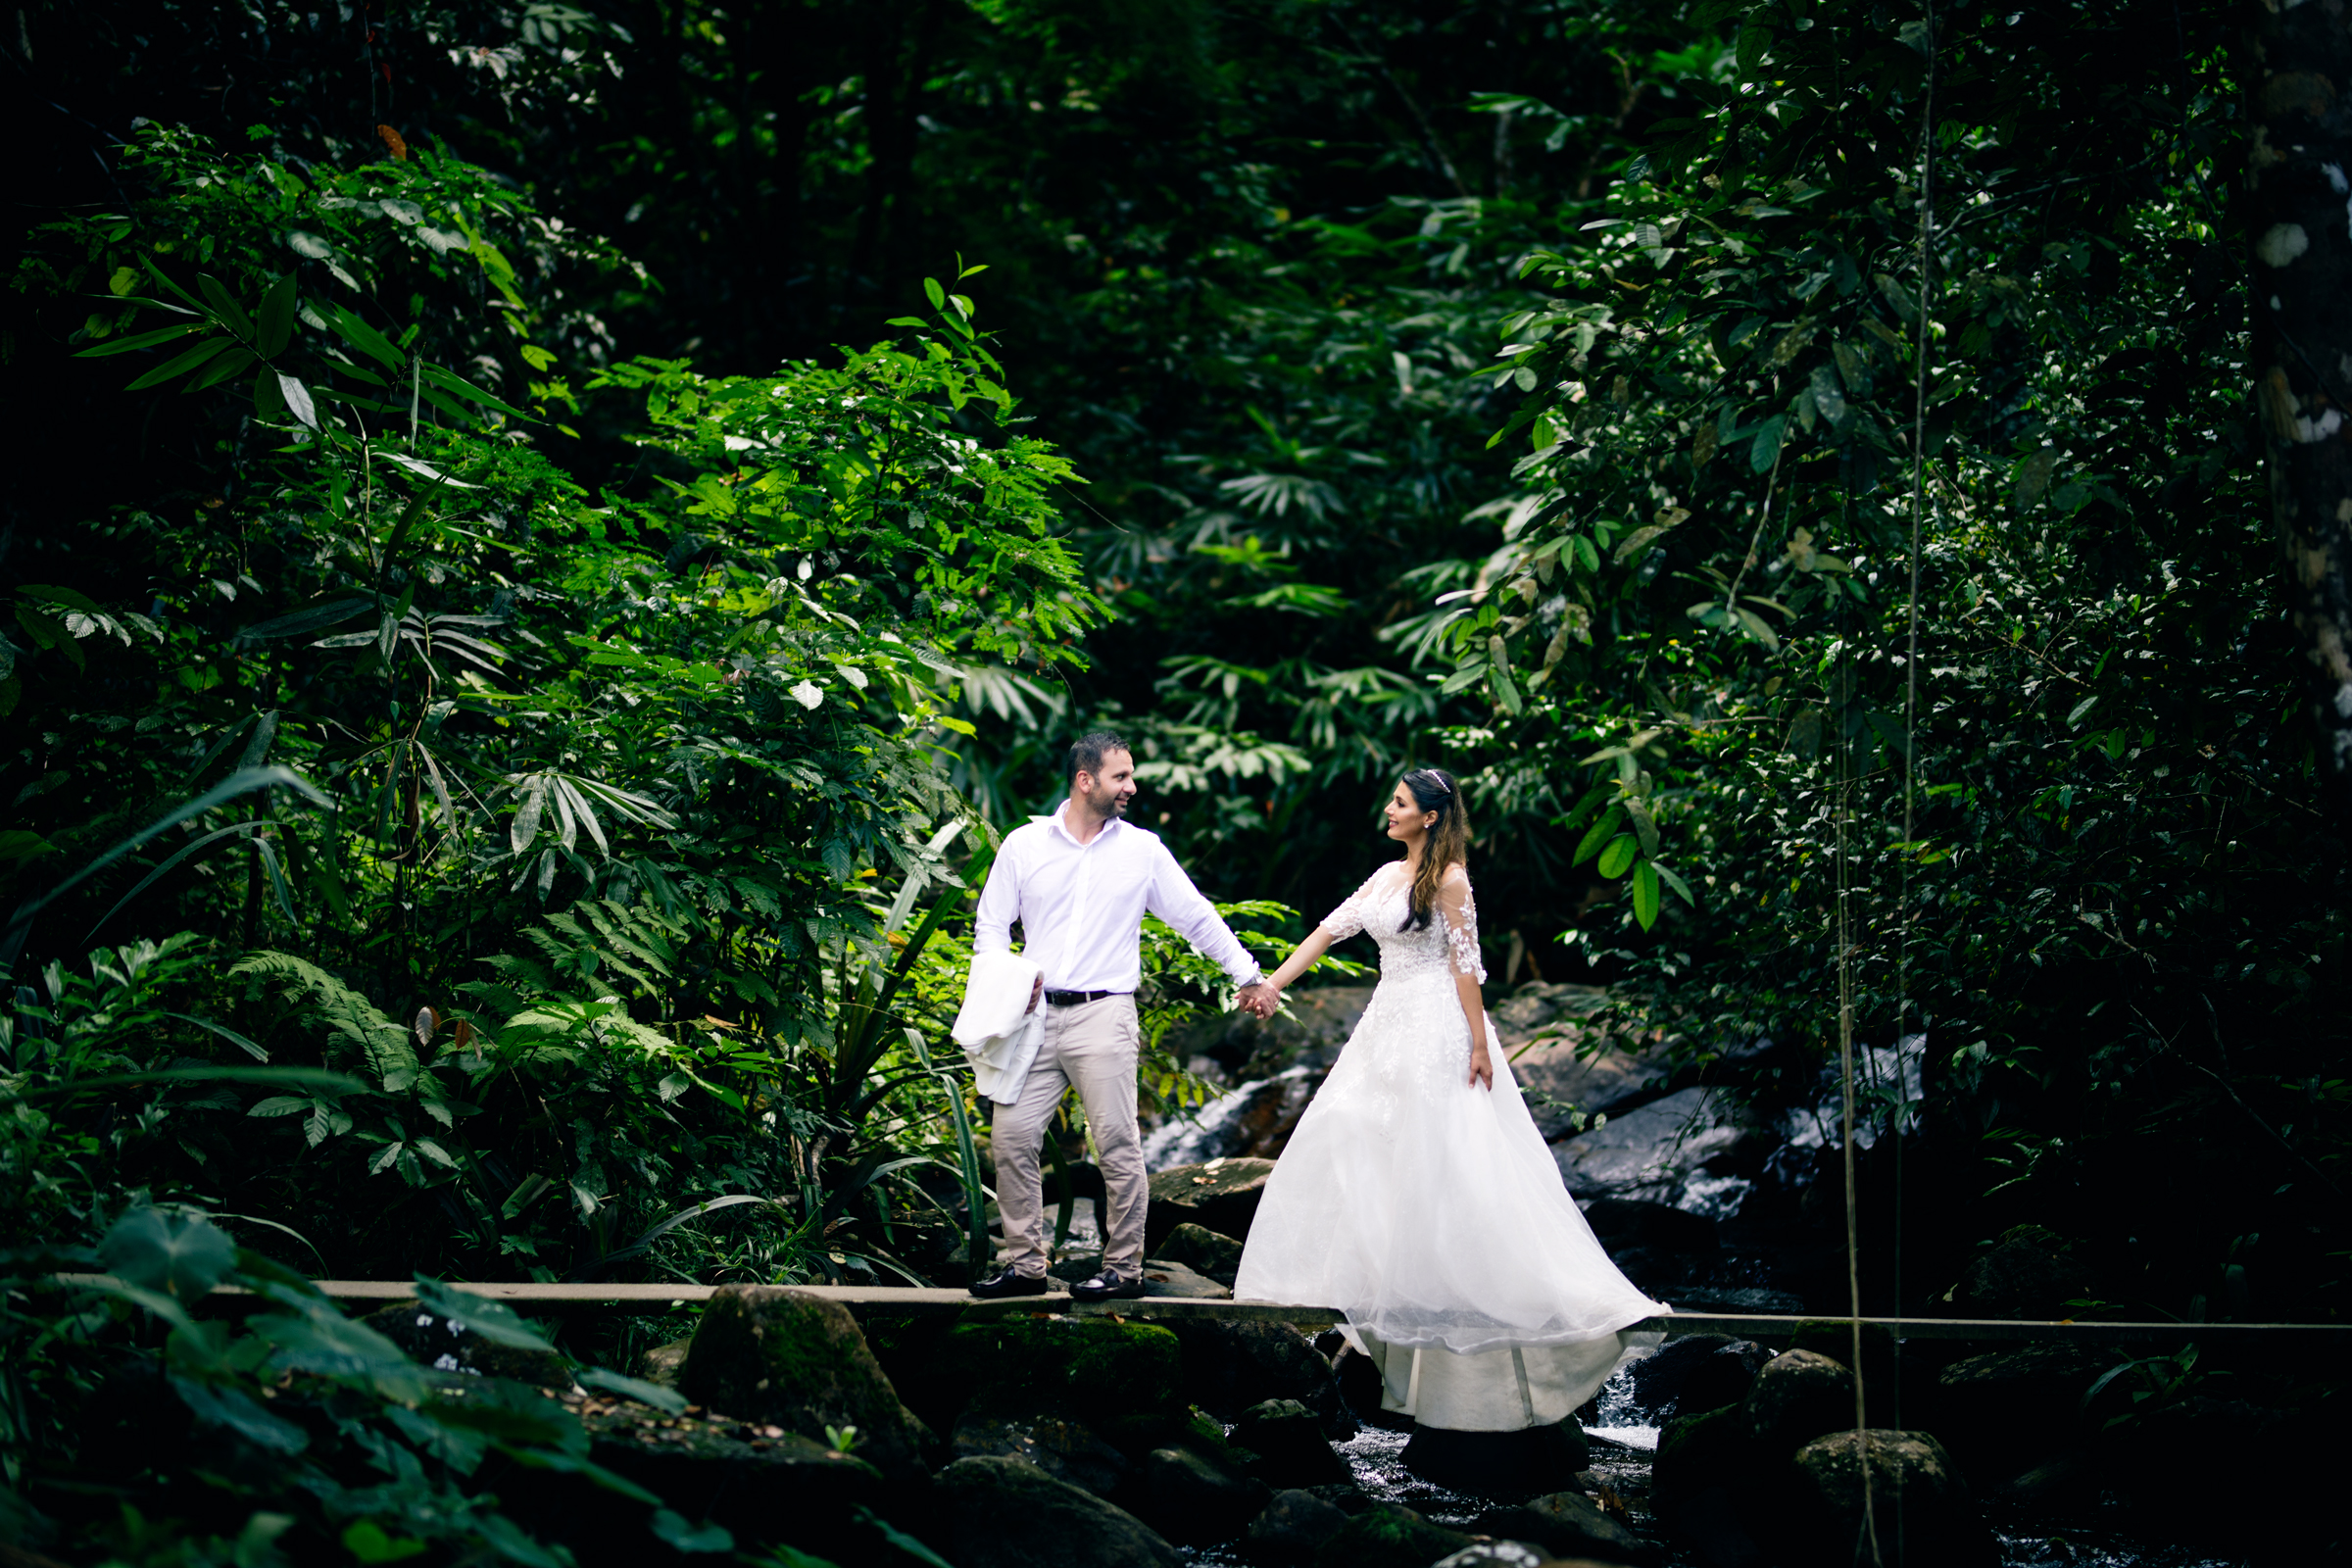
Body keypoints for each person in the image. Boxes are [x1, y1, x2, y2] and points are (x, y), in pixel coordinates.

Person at [1236, 767, 1665, 1436]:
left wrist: (1479, 1044)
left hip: (1437, 1021)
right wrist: (1271, 984)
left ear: (1431, 816)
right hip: (1386, 1022)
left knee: (1443, 1152)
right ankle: (1373, 1275)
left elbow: (1467, 966)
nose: (1389, 809)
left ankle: (1464, 1285)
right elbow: (1328, 931)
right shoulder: (1385, 877)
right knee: (1352, 1127)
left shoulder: (1452, 880)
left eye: (1401, 803)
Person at [968, 731, 1280, 1301]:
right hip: (1032, 1019)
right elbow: (990, 925)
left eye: (1130, 776)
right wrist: (1009, 976)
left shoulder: (1143, 851)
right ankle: (1026, 1266)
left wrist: (1250, 976)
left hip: (1104, 1016)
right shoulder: (1024, 844)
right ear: (1086, 780)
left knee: (1116, 1144)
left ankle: (1123, 1269)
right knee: (1010, 1139)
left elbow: (1196, 918)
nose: (1131, 787)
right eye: (1121, 777)